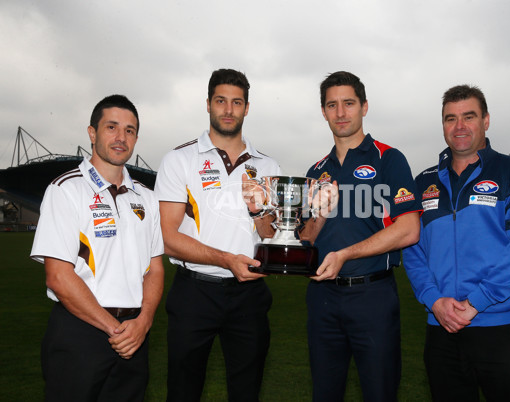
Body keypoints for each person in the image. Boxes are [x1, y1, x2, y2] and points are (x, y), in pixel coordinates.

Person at [403, 85, 510, 401]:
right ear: (443, 125)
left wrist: (479, 300)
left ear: (486, 120)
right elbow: (412, 249)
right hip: (441, 329)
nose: (459, 126)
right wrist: (434, 300)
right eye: (450, 118)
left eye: (469, 116)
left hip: (502, 329)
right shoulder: (423, 182)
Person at [154, 68, 281, 401]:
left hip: (249, 295)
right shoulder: (178, 160)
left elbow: (271, 236)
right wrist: (225, 259)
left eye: (236, 102)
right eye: (221, 101)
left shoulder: (268, 167)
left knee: (246, 391)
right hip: (194, 292)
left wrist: (259, 211)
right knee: (183, 391)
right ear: (208, 104)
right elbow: (167, 236)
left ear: (247, 108)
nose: (228, 110)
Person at [30, 95, 165, 402]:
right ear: (92, 133)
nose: (121, 137)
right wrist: (115, 329)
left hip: (134, 335)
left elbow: (155, 269)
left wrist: (143, 322)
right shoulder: (66, 190)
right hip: (81, 333)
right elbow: (58, 277)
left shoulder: (147, 198)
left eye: (129, 130)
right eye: (112, 127)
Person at [300, 71, 421, 402]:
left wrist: (345, 255)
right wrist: (320, 215)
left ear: (364, 107)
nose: (340, 113)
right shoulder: (316, 171)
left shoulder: (389, 158)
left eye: (348, 103)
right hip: (322, 298)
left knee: (379, 393)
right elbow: (305, 240)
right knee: (325, 394)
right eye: (332, 105)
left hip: (372, 297)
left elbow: (409, 229)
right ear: (324, 111)